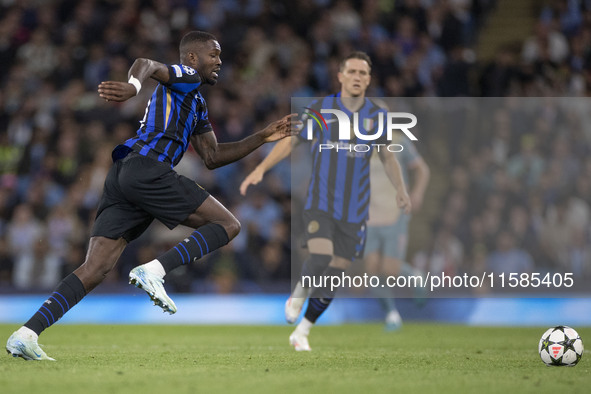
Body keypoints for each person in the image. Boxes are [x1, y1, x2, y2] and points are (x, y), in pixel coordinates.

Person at [6, 31, 296, 361]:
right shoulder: (185, 76)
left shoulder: (195, 101)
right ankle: (155, 270)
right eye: (213, 55)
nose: (219, 61)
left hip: (124, 175)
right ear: (192, 58)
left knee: (96, 268)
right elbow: (146, 63)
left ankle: (26, 334)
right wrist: (132, 87)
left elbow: (212, 157)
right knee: (228, 224)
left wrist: (262, 136)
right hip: (148, 168)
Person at [240, 52, 412, 351]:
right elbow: (292, 140)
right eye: (352, 71)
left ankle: (302, 332)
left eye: (363, 73)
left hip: (356, 209)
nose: (358, 77)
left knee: (336, 271)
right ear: (341, 76)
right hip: (322, 201)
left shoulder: (377, 115)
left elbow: (387, 155)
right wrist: (261, 168)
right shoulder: (322, 109)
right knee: (320, 257)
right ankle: (299, 292)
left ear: (369, 79)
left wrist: (400, 189)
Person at [363, 134, 429, 331]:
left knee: (389, 268)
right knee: (371, 269)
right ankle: (392, 315)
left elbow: (422, 169)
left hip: (394, 213)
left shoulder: (399, 142)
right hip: (368, 215)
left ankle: (414, 276)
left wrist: (417, 193)